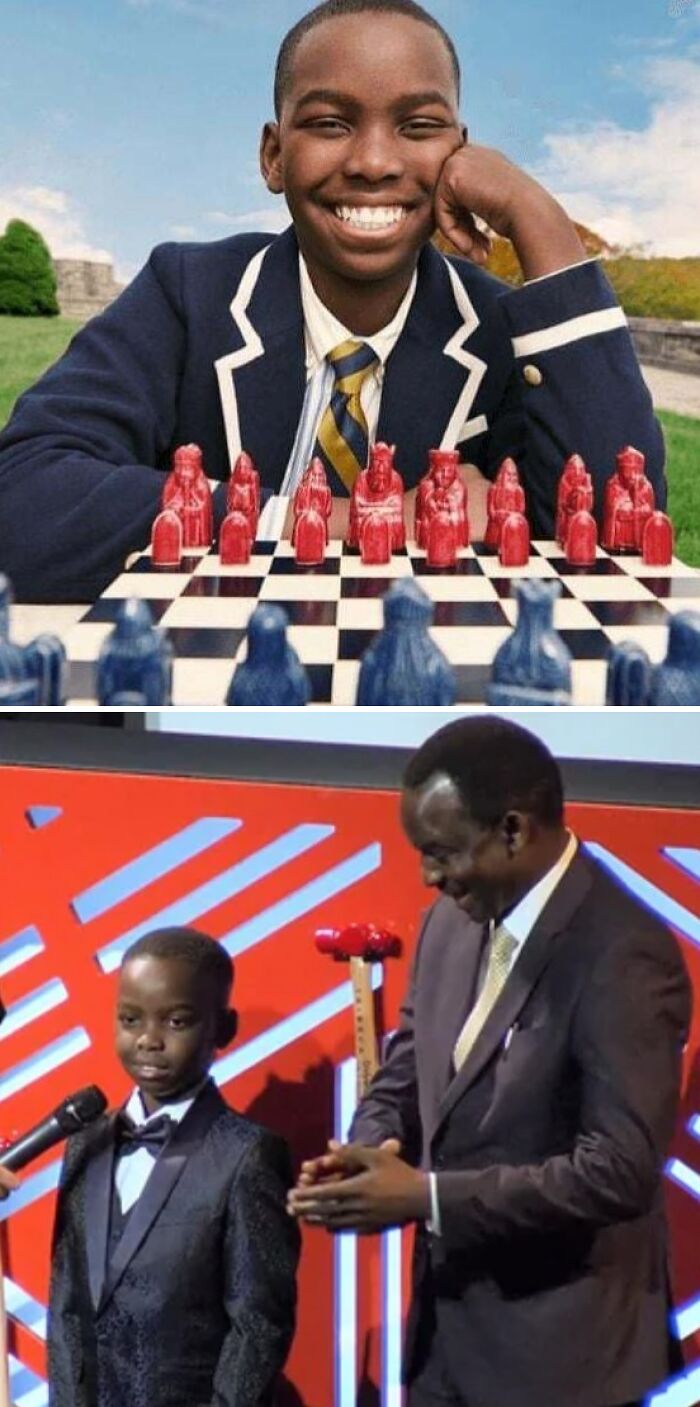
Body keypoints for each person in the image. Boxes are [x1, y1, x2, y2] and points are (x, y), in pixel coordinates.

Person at [0, 0, 663, 603]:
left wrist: (537, 218)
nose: (373, 160)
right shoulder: (188, 293)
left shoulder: (497, 331)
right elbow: (23, 498)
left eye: (418, 125)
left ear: (460, 153)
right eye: (329, 122)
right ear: (273, 156)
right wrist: (335, 519)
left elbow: (615, 542)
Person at [289, 716, 691, 1407]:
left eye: (441, 852)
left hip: (564, 1366)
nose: (427, 874)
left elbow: (617, 1169)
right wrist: (369, 1148)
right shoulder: (453, 918)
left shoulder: (624, 954)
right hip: (445, 1346)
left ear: (512, 829)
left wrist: (426, 1196)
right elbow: (411, 1059)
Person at [48, 926, 300, 1407]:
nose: (148, 1040)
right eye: (130, 1019)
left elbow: (258, 1325)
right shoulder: (85, 1143)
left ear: (222, 1029)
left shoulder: (247, 1155)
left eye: (176, 1022)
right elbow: (66, 1308)